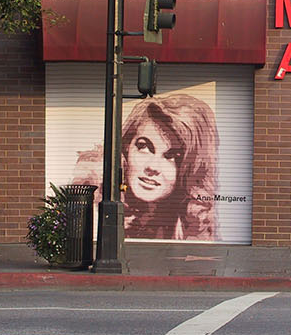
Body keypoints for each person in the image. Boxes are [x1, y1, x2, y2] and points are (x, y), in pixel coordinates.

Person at [80, 96, 225, 242]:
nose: (152, 167)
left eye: (172, 156)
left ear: (191, 169)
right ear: (126, 146)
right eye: (144, 147)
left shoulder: (196, 223)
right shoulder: (93, 204)